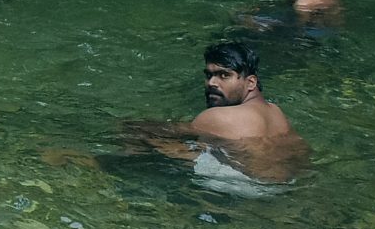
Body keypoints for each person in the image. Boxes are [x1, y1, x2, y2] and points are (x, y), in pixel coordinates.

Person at [120, 42, 310, 185]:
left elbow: (166, 131)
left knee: (138, 133)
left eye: (224, 75)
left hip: (249, 186)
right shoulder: (275, 111)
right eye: (208, 75)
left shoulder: (218, 117)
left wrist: (130, 126)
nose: (212, 83)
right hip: (287, 183)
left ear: (251, 82)